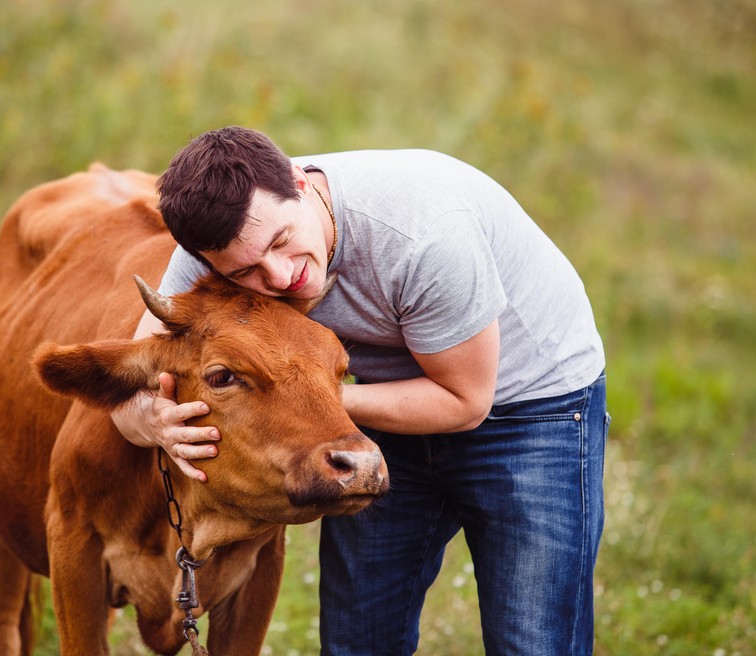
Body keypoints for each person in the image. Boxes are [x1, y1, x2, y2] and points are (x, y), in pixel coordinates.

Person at [110, 126, 609, 655]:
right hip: (381, 407)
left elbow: (465, 402)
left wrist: (301, 399)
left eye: (281, 242)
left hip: (533, 410)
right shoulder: (219, 246)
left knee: (532, 640)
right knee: (359, 639)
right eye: (246, 271)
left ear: (300, 182)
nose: (278, 275)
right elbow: (130, 391)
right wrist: (155, 421)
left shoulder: (425, 236)